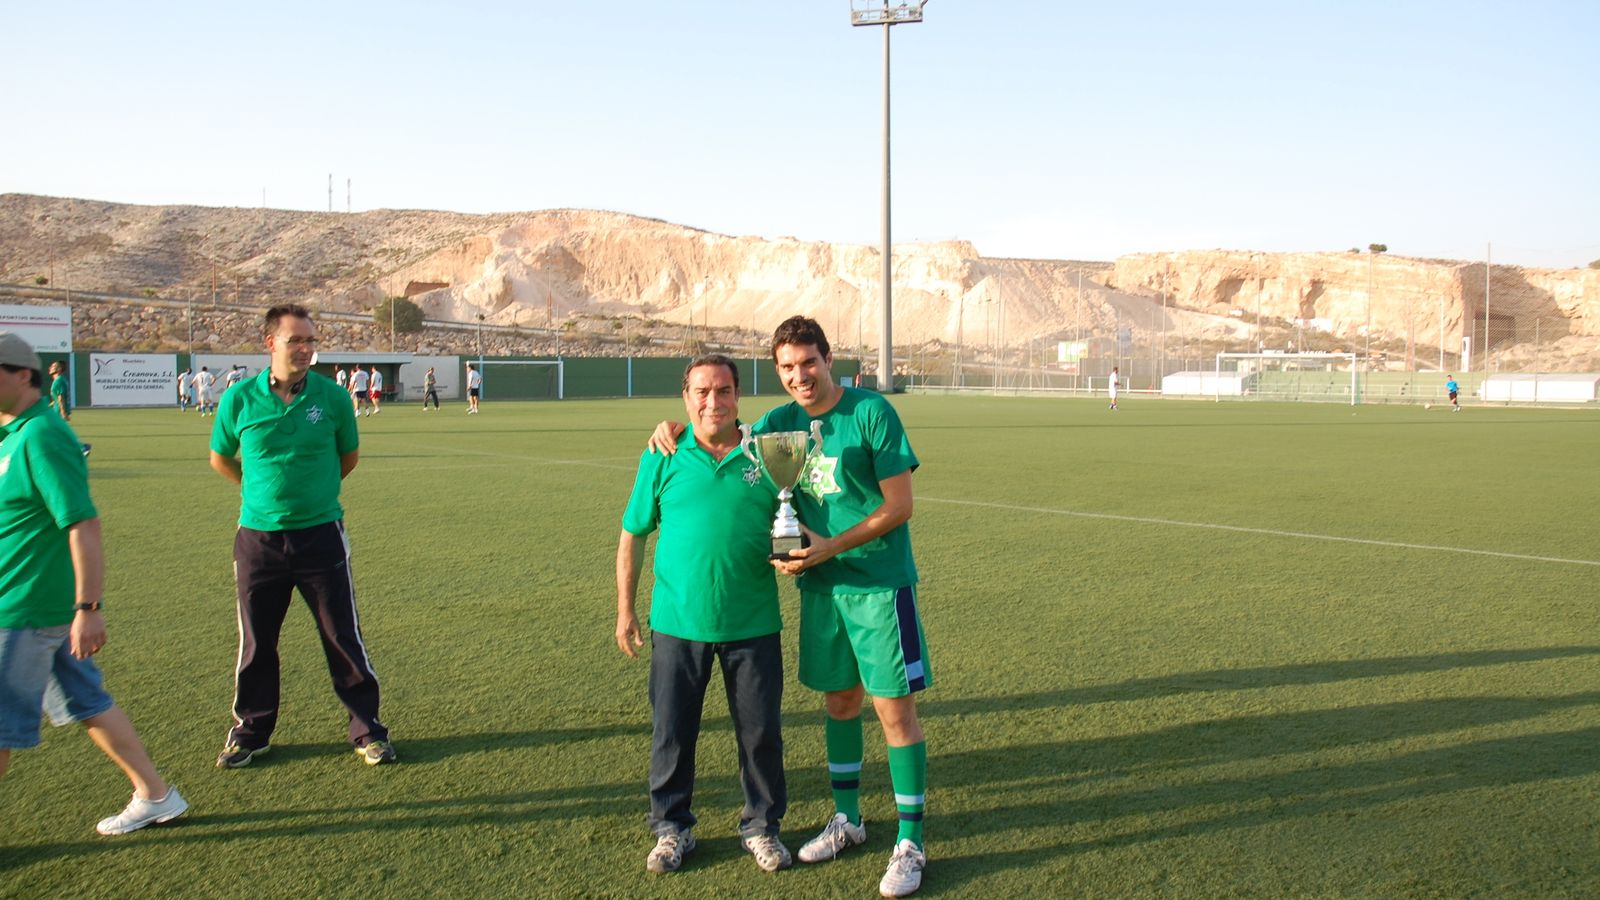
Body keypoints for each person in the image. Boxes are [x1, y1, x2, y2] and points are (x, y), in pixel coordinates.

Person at [649, 316, 931, 897]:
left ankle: (910, 841)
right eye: (786, 367)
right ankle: (848, 820)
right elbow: (721, 429)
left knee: (894, 712)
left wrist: (830, 545)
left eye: (808, 362)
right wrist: (671, 428)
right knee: (840, 700)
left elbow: (900, 506)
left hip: (878, 583)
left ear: (829, 359)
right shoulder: (778, 424)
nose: (799, 376)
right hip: (822, 589)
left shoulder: (872, 412)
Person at [0, 332, 189, 835]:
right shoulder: (14, 434)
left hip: (26, 607)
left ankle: (156, 793)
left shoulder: (42, 435)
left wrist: (88, 606)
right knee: (88, 702)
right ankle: (156, 794)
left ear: (23, 374)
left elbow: (81, 523)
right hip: (28, 603)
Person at [617, 354, 790, 875]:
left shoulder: (770, 456)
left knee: (761, 734)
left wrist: (795, 557)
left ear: (738, 395)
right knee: (671, 732)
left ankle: (761, 827)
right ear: (685, 396)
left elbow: (794, 523)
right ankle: (672, 829)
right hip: (677, 623)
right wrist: (625, 609)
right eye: (701, 392)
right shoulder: (662, 454)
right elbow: (633, 535)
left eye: (723, 391)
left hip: (753, 622)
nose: (712, 401)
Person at [208, 305, 394, 769]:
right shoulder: (239, 399)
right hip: (258, 540)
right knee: (257, 642)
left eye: (311, 340)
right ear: (270, 343)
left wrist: (313, 498)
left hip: (321, 536)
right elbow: (221, 459)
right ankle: (251, 732)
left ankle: (368, 730)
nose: (307, 349)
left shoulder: (331, 398)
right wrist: (261, 497)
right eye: (296, 340)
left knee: (341, 635)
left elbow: (347, 458)